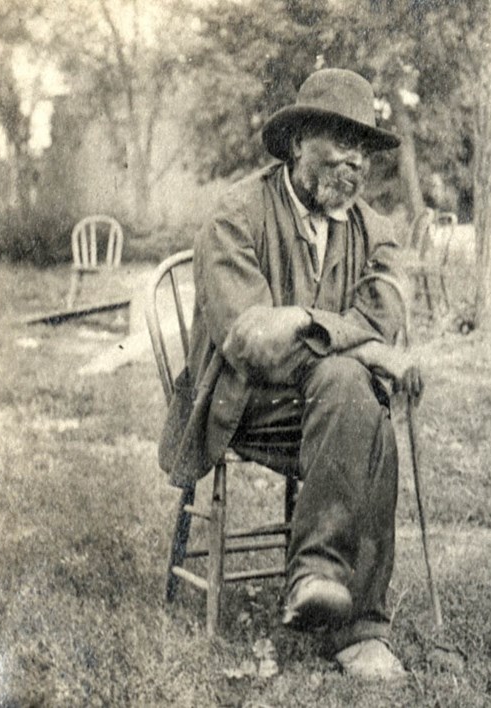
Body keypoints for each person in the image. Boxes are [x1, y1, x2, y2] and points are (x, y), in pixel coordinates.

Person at [159, 68, 423, 680]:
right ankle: (359, 629)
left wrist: (322, 335)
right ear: (300, 138)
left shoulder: (375, 232)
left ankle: (319, 576)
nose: (355, 161)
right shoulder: (234, 215)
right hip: (241, 404)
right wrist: (361, 347)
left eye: (365, 148)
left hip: (329, 409)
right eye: (340, 139)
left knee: (356, 398)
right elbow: (251, 342)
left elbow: (384, 317)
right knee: (357, 392)